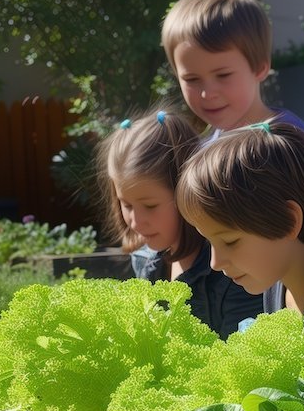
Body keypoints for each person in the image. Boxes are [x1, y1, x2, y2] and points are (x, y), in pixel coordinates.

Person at [161, 0, 304, 236]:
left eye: (223, 75)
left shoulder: (296, 145)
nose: (207, 93)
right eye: (192, 79)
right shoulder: (200, 154)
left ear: (260, 67)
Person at [95, 109, 262, 338]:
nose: (136, 221)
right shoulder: (145, 261)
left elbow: (238, 352)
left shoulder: (233, 272)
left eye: (150, 206)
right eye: (127, 205)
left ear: (185, 192)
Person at [176, 121, 304, 313]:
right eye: (210, 242)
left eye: (230, 242)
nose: (215, 263)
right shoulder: (279, 273)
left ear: (289, 221)